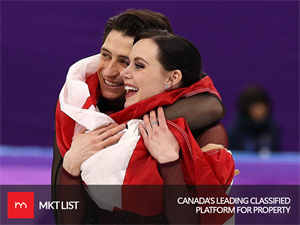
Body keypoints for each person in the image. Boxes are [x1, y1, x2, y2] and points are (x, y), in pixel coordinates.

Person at [52, 9, 230, 225]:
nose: (110, 71)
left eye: (130, 63)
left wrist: (168, 161)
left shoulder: (200, 125)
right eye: (105, 55)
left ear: (170, 74)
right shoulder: (79, 110)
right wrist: (71, 165)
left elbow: (212, 106)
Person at [228, 85, 281, 153]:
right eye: (255, 107)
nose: (259, 111)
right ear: (246, 109)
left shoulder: (273, 129)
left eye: (262, 106)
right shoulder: (235, 132)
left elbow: (275, 157)